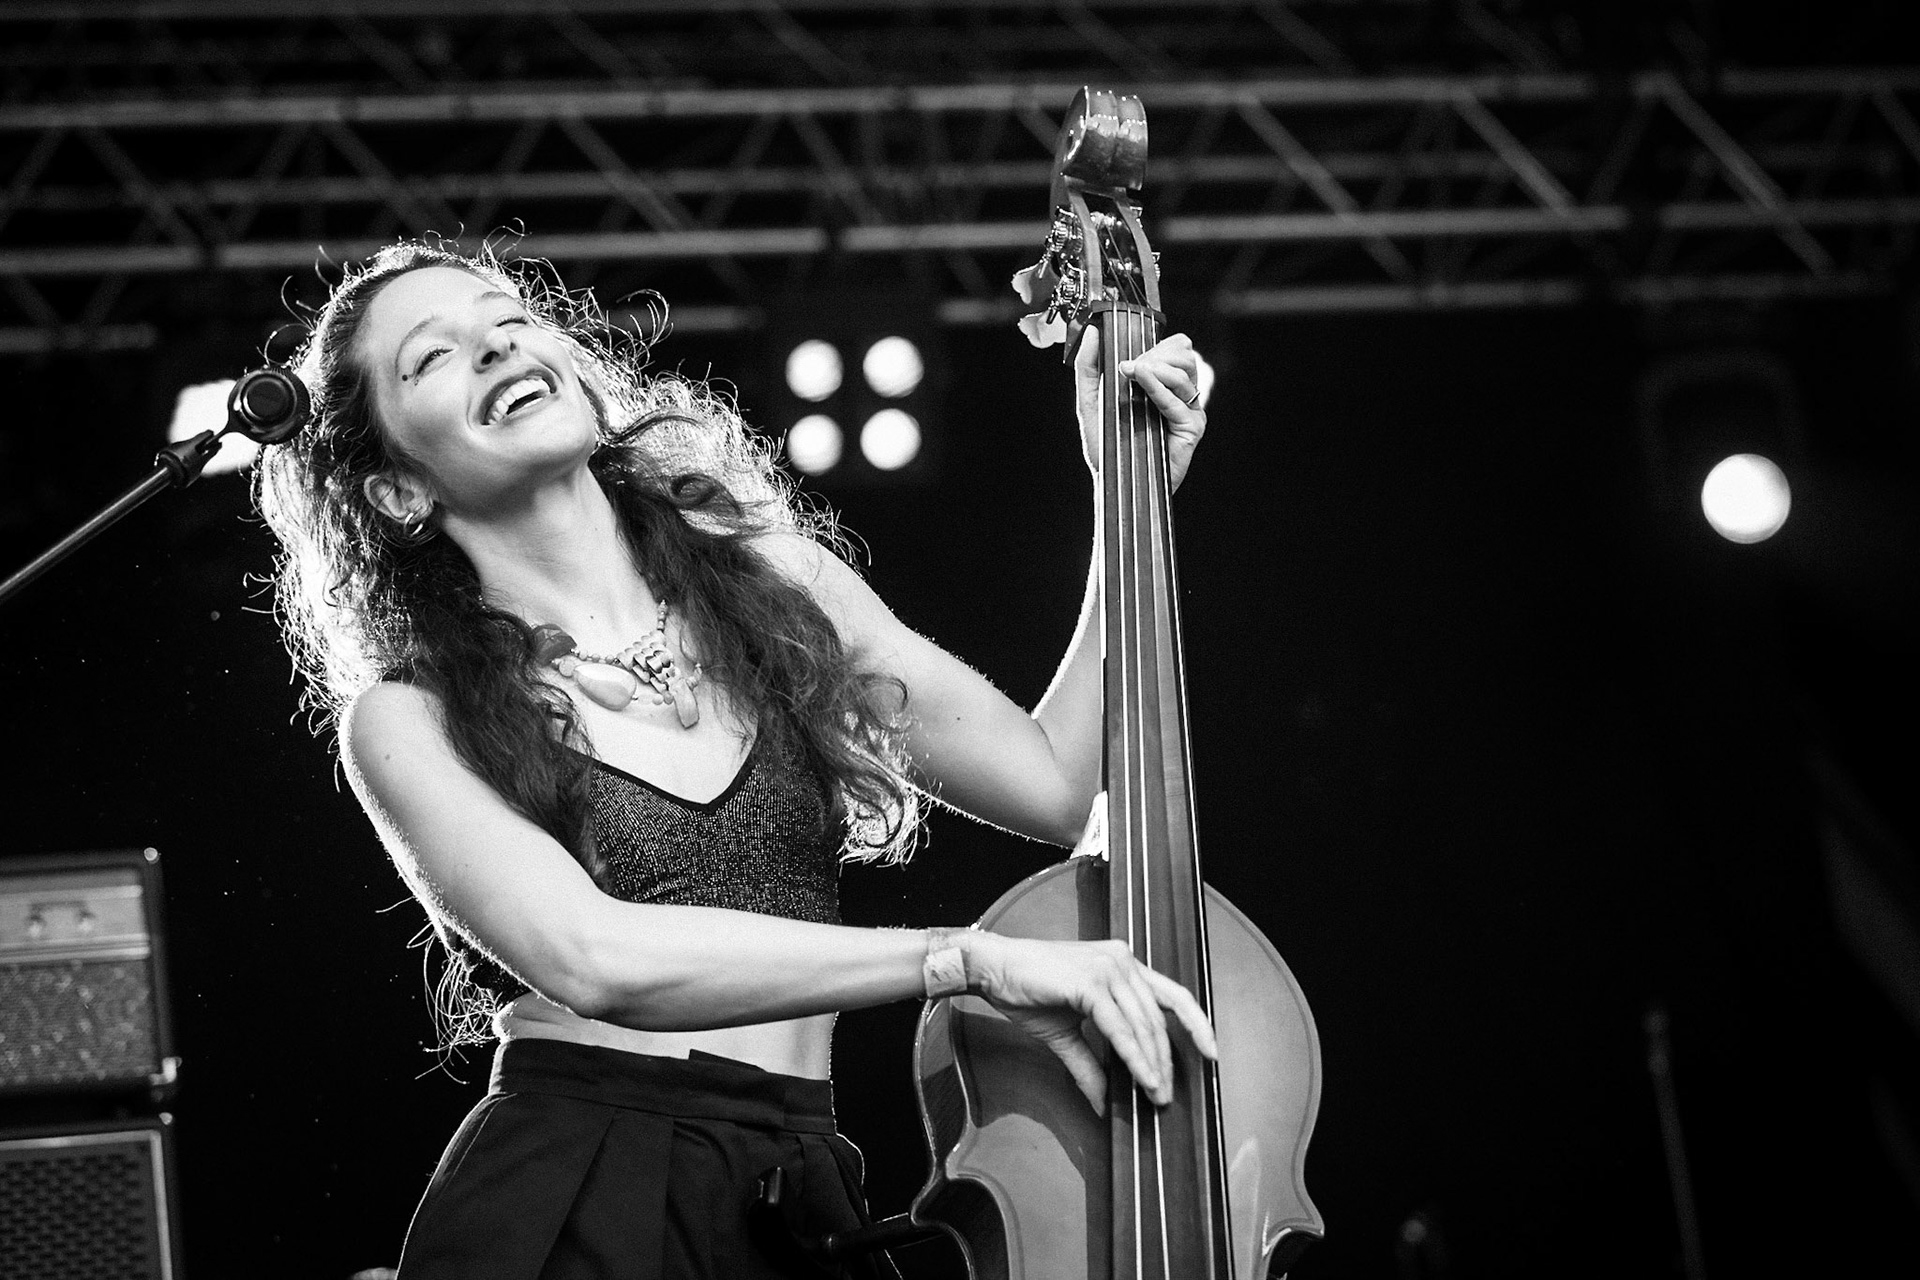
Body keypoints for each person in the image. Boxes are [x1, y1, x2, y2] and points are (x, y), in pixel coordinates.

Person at [256, 240, 1217, 1279]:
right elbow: (595, 959)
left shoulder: (775, 584)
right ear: (398, 491)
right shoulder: (407, 716)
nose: (495, 345)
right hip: (580, 1191)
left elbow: (1056, 782)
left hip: (793, 1188)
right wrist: (961, 954)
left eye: (508, 318)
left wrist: (1133, 502)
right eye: (432, 358)